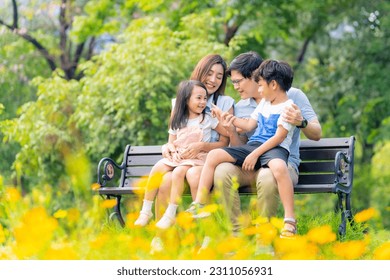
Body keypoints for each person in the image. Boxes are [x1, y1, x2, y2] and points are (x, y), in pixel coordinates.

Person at [213, 51, 322, 236]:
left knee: (267, 176)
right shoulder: (241, 106)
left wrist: (300, 122)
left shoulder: (292, 96)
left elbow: (317, 133)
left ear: (256, 75)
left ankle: (265, 239)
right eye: (233, 83)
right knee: (222, 171)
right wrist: (231, 130)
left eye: (239, 81)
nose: (236, 87)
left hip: (282, 165)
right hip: (251, 163)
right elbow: (242, 146)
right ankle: (235, 236)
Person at [187, 59, 298, 237]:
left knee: (279, 168)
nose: (259, 90)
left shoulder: (289, 106)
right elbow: (248, 125)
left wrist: (255, 153)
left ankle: (290, 220)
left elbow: (279, 137)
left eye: (260, 86)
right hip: (254, 146)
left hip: (275, 148)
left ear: (274, 85)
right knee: (214, 155)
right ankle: (200, 203)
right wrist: (225, 118)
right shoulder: (264, 104)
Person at [153, 54, 234, 220]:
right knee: (166, 180)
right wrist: (168, 147)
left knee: (194, 175)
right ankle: (162, 236)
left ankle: (206, 237)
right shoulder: (179, 102)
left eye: (219, 76)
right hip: (183, 160)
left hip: (207, 160)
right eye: (209, 73)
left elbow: (226, 142)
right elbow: (172, 139)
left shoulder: (226, 102)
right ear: (200, 72)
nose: (213, 80)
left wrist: (201, 146)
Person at [134, 80, 221, 227]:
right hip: (179, 156)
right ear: (186, 99)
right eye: (198, 98)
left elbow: (226, 136)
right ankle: (146, 210)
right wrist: (171, 149)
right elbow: (171, 141)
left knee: (178, 172)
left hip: (196, 159)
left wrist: (222, 123)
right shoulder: (178, 119)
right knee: (157, 168)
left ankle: (170, 212)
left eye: (205, 98)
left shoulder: (207, 119)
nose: (203, 102)